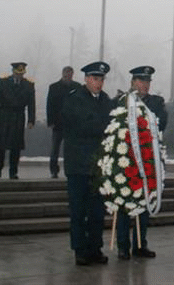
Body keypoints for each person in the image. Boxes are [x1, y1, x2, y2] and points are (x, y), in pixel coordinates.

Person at [61, 61, 112, 266]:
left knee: (97, 211)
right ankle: (80, 249)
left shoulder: (106, 100)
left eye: (101, 79)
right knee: (78, 211)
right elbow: (80, 126)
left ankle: (95, 248)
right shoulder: (74, 99)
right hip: (78, 165)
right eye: (94, 79)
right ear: (86, 79)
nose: (98, 83)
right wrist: (100, 125)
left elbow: (110, 125)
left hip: (98, 166)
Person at [116, 65, 168, 260]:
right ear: (133, 83)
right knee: (124, 204)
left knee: (145, 202)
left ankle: (140, 244)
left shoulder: (156, 102)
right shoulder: (123, 102)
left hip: (147, 159)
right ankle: (123, 245)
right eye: (141, 81)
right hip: (127, 159)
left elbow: (162, 122)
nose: (145, 85)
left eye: (147, 81)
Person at [0, 62, 35, 179]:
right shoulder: (3, 82)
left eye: (21, 74)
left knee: (16, 146)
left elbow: (31, 104)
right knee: (1, 146)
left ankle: (13, 171)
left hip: (18, 116)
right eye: (17, 73)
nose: (19, 76)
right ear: (13, 72)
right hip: (4, 115)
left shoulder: (29, 85)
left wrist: (31, 120)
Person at [46, 66, 81, 178]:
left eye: (70, 73)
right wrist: (50, 121)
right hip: (58, 122)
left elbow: (80, 105)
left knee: (70, 149)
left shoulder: (77, 87)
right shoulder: (54, 87)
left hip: (72, 123)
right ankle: (54, 170)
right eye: (66, 73)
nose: (67, 75)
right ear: (62, 73)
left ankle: (69, 170)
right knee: (55, 148)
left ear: (72, 74)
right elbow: (49, 105)